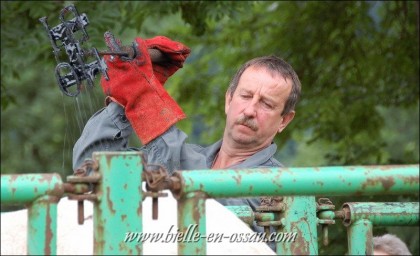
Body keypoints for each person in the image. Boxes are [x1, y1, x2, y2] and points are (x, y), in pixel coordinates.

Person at [73, 34, 301, 251]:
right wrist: (124, 99)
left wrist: (144, 99)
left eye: (266, 104)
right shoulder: (189, 158)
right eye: (245, 96)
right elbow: (92, 171)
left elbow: (208, 224)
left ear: (284, 121)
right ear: (228, 100)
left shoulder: (280, 185)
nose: (250, 110)